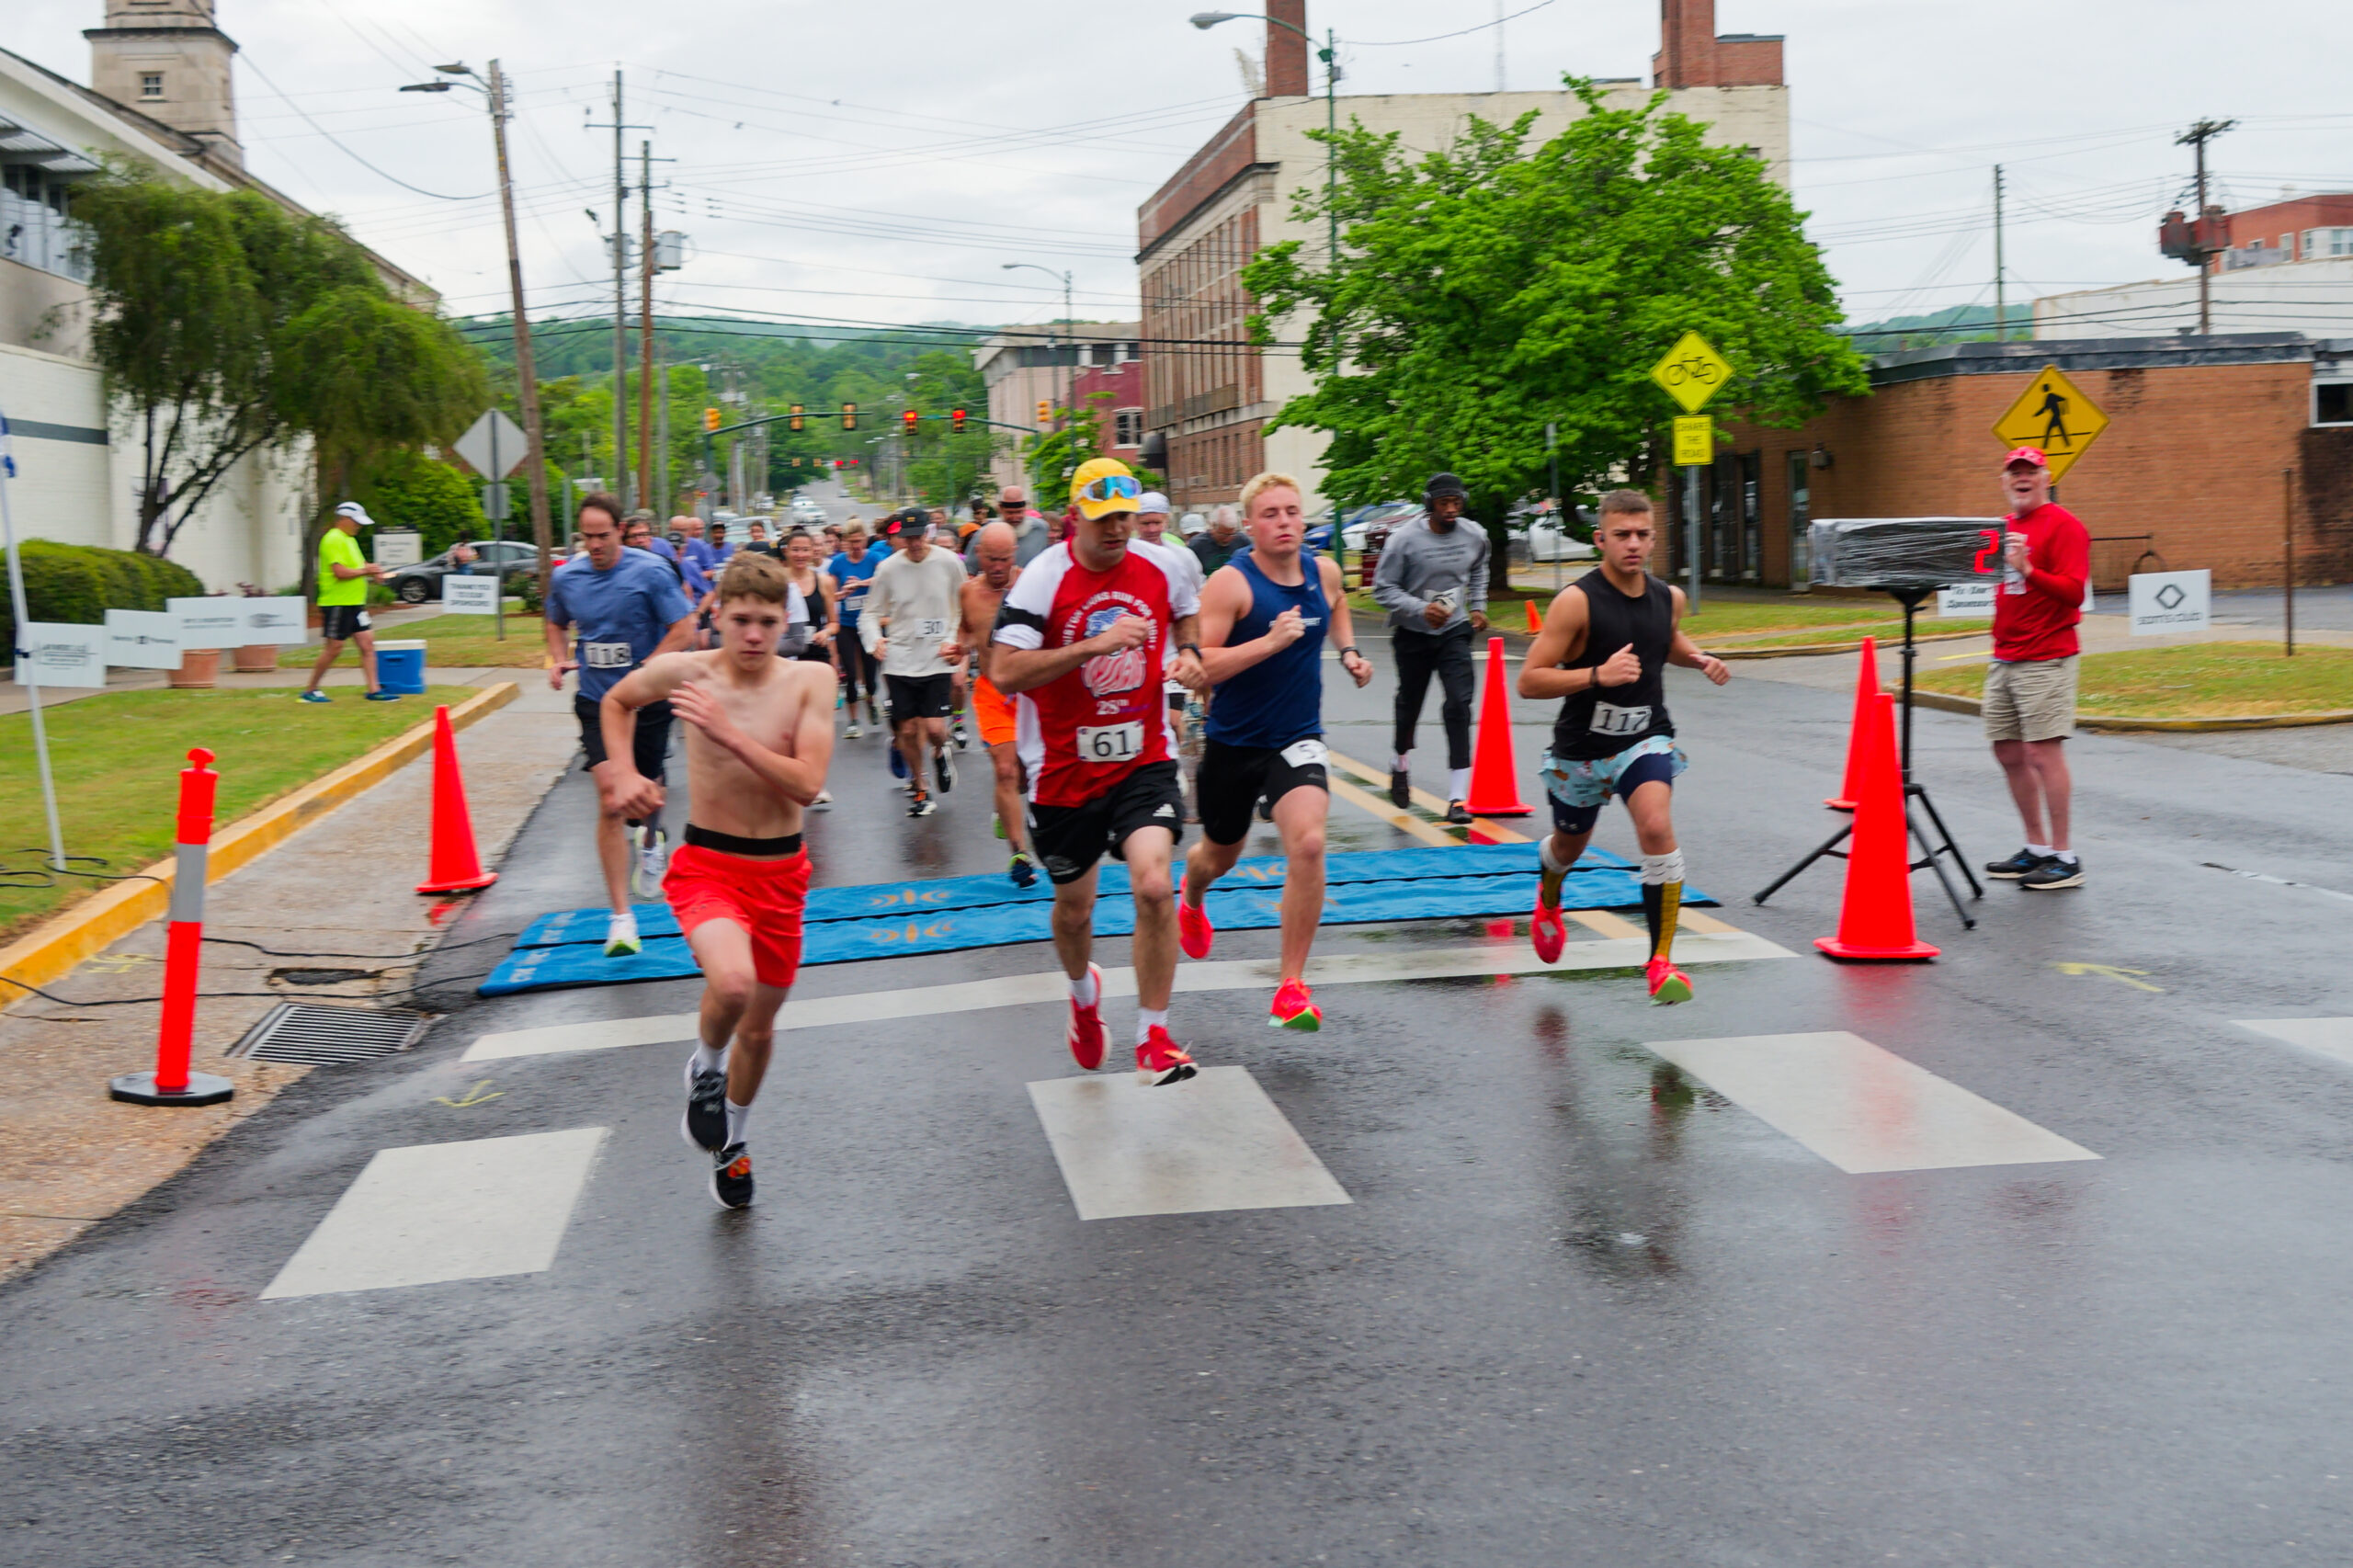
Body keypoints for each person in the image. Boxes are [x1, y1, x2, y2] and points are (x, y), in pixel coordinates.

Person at [595, 552, 836, 1210]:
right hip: (709, 866)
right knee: (733, 984)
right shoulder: (688, 672)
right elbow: (616, 701)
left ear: (785, 621)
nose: (753, 636)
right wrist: (624, 773)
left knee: (758, 1031)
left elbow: (807, 784)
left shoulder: (810, 680)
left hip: (781, 872)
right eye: (740, 621)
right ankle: (705, 1068)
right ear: (718, 617)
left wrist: (728, 734)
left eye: (767, 623)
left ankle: (734, 1141)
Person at [991, 458, 1208, 1085]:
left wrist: (1190, 652)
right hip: (1063, 769)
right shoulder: (1042, 579)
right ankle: (1084, 997)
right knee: (1075, 911)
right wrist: (1093, 644)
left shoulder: (1164, 564)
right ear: (1073, 520)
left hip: (1144, 756)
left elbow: (1186, 611)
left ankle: (1153, 1037)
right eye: (1102, 519)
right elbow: (1003, 672)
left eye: (1125, 518)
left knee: (1154, 886)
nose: (1116, 530)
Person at [1516, 489, 1729, 1005]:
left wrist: (1698, 658)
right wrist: (1597, 675)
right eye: (1621, 535)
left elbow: (1665, 638)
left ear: (1654, 539)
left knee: (1656, 826)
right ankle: (1550, 894)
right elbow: (1529, 680)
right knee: (1568, 848)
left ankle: (1661, 962)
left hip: (1644, 737)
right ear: (1600, 539)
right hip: (1581, 751)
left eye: (1642, 535)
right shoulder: (1576, 601)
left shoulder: (1669, 597)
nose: (1632, 544)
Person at [1176, 472, 1371, 1030]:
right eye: (1270, 514)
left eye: (1291, 511)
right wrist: (1268, 642)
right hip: (1234, 743)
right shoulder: (1230, 584)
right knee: (1219, 857)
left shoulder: (1323, 571)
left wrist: (1349, 652)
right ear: (1249, 526)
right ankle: (1192, 895)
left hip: (1297, 737)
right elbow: (1200, 666)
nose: (1284, 522)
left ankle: (1290, 985)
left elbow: (1337, 604)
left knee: (1308, 844)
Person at [544, 493, 699, 955]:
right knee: (612, 798)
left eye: (603, 536)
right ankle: (621, 919)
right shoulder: (567, 576)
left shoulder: (650, 571)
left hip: (646, 701)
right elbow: (555, 620)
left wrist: (648, 670)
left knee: (646, 792)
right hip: (597, 700)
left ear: (620, 531)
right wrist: (558, 658)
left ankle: (651, 841)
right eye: (587, 537)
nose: (594, 545)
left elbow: (684, 628)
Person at [1981, 446, 2092, 892]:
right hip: (2004, 655)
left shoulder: (2065, 526)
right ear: (2004, 481)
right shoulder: (2001, 527)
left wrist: (2028, 569)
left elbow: (2075, 592)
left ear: (2046, 478)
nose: (2022, 478)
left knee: (2043, 754)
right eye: (2014, 473)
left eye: (2030, 472)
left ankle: (2065, 857)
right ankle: (2037, 848)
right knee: (2007, 752)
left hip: (2047, 655)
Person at [1373, 472, 1491, 824]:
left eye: (1456, 503)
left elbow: (1479, 568)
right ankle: (1400, 761)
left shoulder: (1475, 535)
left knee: (1459, 704)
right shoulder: (1404, 540)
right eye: (1444, 503)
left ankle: (1457, 799)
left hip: (1454, 630)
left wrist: (1478, 605)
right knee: (1409, 705)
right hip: (1413, 633)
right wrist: (1420, 609)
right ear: (1429, 504)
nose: (1451, 510)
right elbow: (1383, 589)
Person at [865, 507, 970, 817]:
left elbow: (963, 605)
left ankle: (940, 751)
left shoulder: (949, 562)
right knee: (908, 730)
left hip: (937, 657)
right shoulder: (888, 568)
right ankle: (921, 787)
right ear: (899, 537)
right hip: (900, 660)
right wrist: (874, 641)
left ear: (928, 533)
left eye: (918, 537)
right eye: (907, 538)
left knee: (936, 729)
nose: (913, 543)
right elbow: (870, 613)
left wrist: (954, 639)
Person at [958, 521, 1037, 886]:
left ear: (1014, 555)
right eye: (991, 559)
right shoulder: (968, 592)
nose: (998, 566)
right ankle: (1020, 855)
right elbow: (966, 630)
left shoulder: (1032, 585)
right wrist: (958, 649)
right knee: (1005, 770)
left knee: (1026, 775)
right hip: (992, 691)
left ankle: (1005, 810)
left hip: (1031, 690)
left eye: (1004, 559)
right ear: (979, 555)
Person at [300, 501, 399, 703]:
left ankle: (374, 690)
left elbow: (360, 564)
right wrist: (365, 571)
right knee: (334, 648)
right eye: (356, 522)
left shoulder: (350, 540)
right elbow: (340, 572)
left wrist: (374, 571)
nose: (359, 526)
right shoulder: (333, 539)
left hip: (355, 604)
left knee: (367, 644)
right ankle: (310, 691)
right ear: (344, 519)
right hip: (337, 604)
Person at [1133, 491, 1207, 761]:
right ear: (1135, 522)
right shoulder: (1126, 554)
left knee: (1174, 720)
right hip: (1138, 653)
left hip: (1172, 651)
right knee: (1145, 722)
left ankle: (1171, 765)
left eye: (1157, 522)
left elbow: (1199, 594)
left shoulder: (1182, 556)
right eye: (1145, 523)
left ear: (1166, 520)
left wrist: (1195, 643)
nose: (1152, 529)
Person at [826, 523, 883, 738]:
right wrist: (839, 595)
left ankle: (871, 699)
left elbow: (883, 579)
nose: (856, 546)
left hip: (869, 624)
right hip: (847, 625)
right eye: (851, 542)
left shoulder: (874, 558)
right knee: (850, 674)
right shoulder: (838, 563)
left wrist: (861, 584)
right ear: (845, 543)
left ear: (865, 539)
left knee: (870, 676)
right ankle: (853, 721)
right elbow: (828, 593)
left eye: (859, 541)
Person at [995, 484, 1053, 566]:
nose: (1015, 517)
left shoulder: (1041, 529)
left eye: (1019, 512)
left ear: (1025, 508)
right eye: (1010, 513)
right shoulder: (987, 533)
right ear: (1000, 509)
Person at [1188, 504, 1248, 576]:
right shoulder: (1197, 546)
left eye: (1231, 534)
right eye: (1223, 535)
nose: (1227, 539)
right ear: (1212, 526)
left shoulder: (1243, 542)